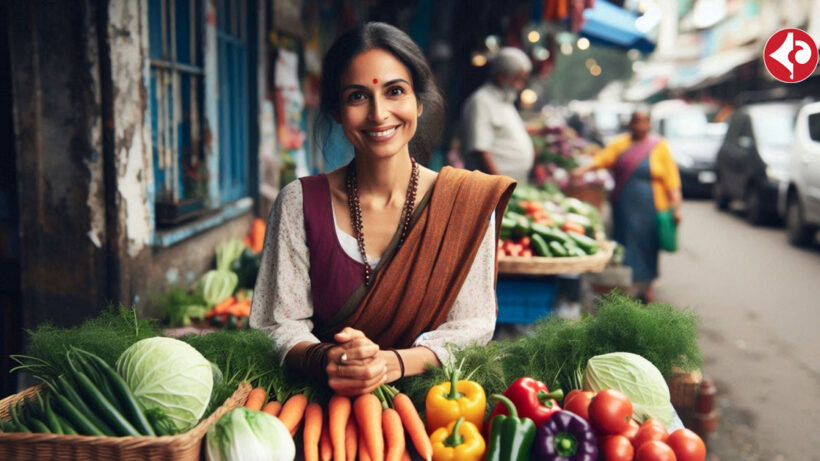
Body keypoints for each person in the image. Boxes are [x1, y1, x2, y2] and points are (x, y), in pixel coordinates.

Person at [250, 22, 516, 397]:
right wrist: (330, 359)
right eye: (357, 96)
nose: (378, 113)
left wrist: (393, 363)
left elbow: (472, 326)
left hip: (438, 406)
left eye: (395, 91)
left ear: (418, 103)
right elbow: (277, 324)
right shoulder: (299, 203)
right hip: (324, 405)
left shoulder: (466, 204)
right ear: (338, 112)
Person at [572, 110, 682, 302]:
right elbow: (602, 159)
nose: (640, 126)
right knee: (625, 244)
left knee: (649, 245)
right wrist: (582, 170)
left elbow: (672, 180)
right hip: (624, 205)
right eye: (636, 122)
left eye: (643, 122)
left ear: (649, 124)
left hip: (651, 206)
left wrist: (676, 207)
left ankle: (647, 284)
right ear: (630, 124)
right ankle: (627, 284)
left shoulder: (659, 146)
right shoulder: (620, 143)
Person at [461, 47, 535, 183]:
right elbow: (481, 151)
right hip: (492, 191)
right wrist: (501, 187)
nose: (520, 86)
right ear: (502, 76)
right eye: (518, 79)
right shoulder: (481, 101)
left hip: (510, 187)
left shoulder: (506, 101)